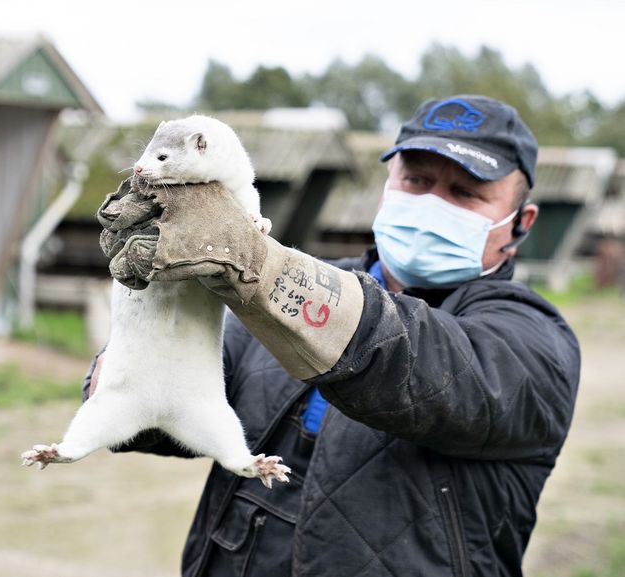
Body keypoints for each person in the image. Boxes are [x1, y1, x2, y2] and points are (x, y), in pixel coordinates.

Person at [89, 94, 581, 576]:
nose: (433, 203)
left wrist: (261, 267)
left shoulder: (534, 339)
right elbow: (175, 407)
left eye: (465, 192)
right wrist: (128, 367)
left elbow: (419, 360)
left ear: (521, 223)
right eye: (417, 180)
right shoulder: (279, 290)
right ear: (387, 185)